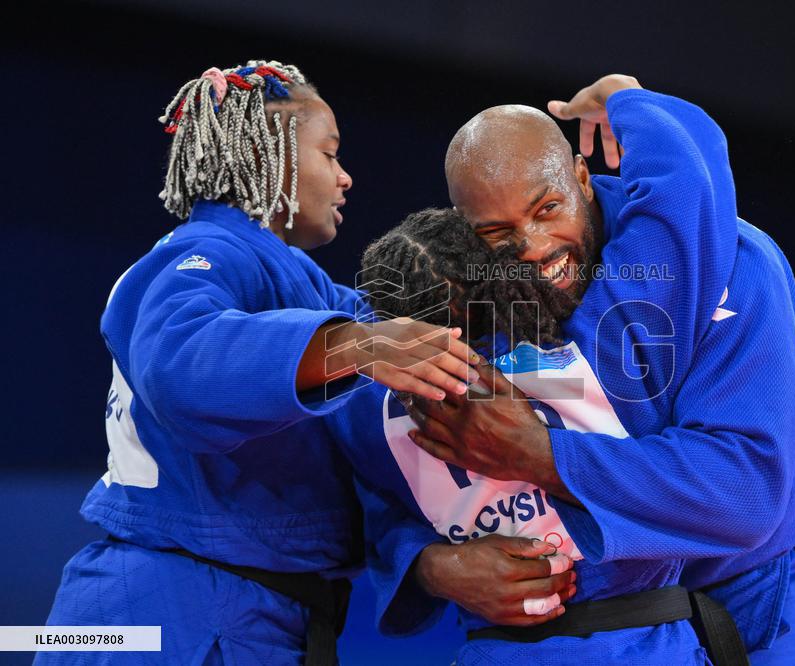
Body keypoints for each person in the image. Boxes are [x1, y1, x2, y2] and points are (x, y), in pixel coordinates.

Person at [39, 60, 479, 665]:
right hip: (168, 609)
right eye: (330, 155)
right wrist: (359, 347)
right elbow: (179, 362)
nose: (347, 177)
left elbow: (389, 354)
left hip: (223, 607)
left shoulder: (308, 290)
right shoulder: (203, 252)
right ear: (272, 158)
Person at [406, 75, 795, 664]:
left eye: (548, 209)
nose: (535, 246)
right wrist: (433, 566)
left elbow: (744, 489)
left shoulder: (734, 263)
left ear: (583, 180)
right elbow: (388, 457)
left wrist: (540, 455)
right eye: (496, 233)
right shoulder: (472, 294)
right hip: (611, 613)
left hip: (755, 580)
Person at [327, 207, 708, 664]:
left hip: (497, 650)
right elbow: (677, 222)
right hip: (641, 645)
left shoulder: (363, 408)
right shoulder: (589, 351)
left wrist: (432, 566)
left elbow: (379, 516)